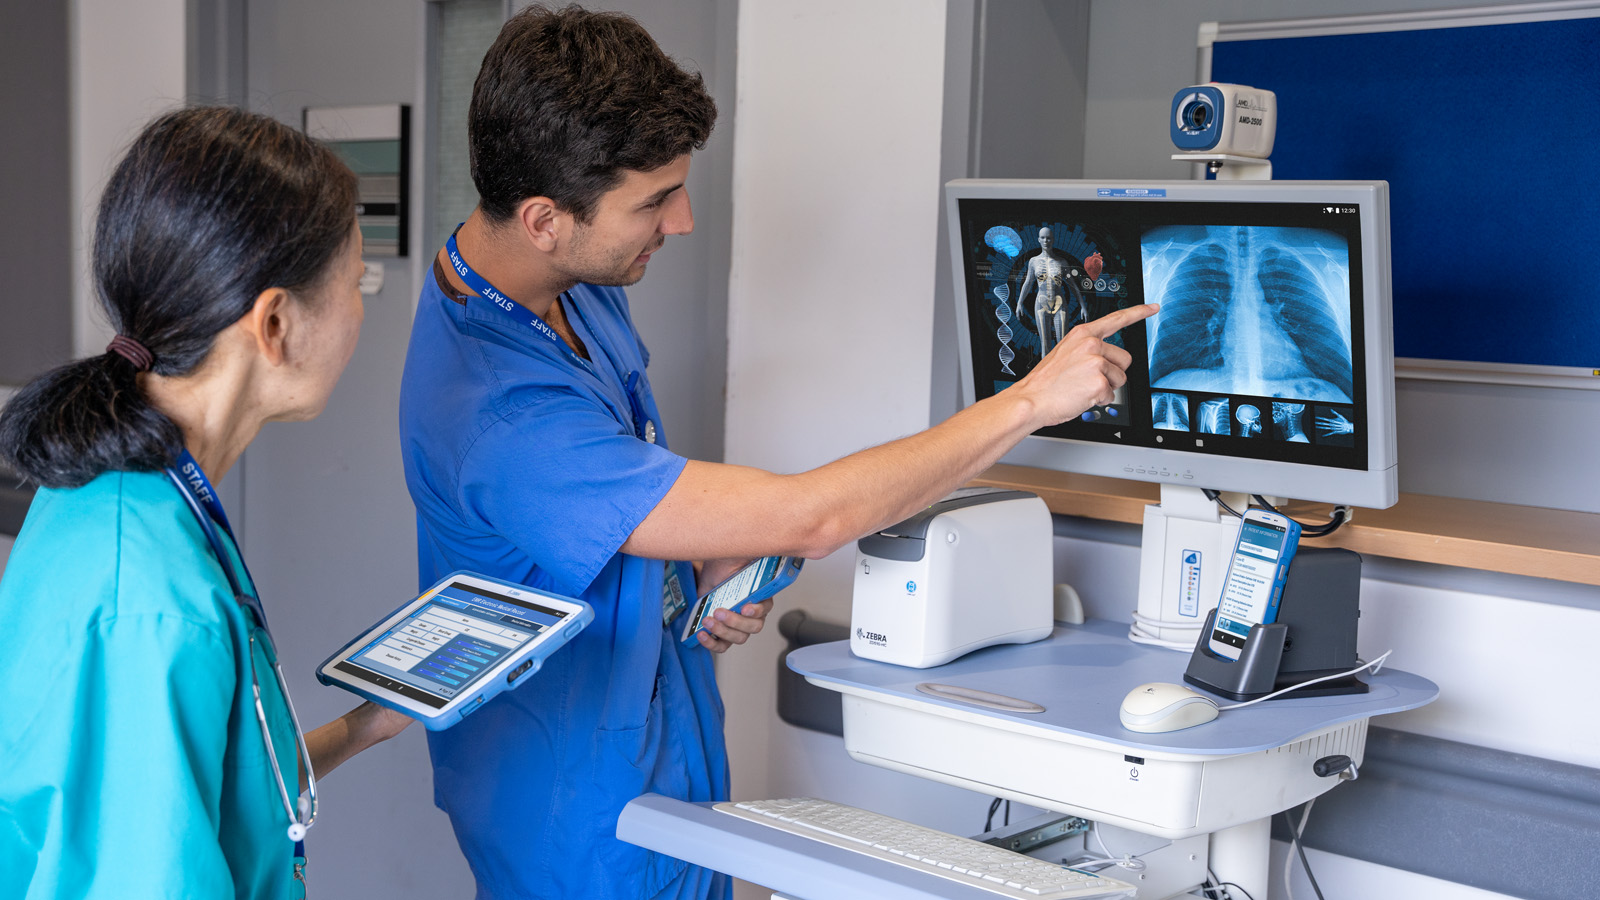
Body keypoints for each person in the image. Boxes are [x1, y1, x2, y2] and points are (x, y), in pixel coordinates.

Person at [397, 6, 1156, 899]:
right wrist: (1031, 400)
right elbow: (813, 516)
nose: (679, 221)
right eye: (652, 201)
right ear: (543, 219)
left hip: (657, 720)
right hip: (577, 805)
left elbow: (614, 500)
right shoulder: (499, 413)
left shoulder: (563, 284)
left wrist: (696, 565)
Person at [0, 106, 412, 898]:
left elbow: (204, 777)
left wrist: (369, 726)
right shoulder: (147, 599)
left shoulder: (117, 491)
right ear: (276, 323)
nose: (361, 309)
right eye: (355, 281)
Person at [1015, 226, 1089, 355]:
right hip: (1041, 303)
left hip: (1059, 302)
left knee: (1063, 344)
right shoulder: (1033, 261)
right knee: (1045, 346)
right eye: (1043, 238)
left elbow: (1072, 285)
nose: (1045, 241)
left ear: (1053, 240)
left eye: (1048, 238)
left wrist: (1082, 306)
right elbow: (1028, 282)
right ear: (1038, 240)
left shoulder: (1062, 262)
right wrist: (1019, 303)